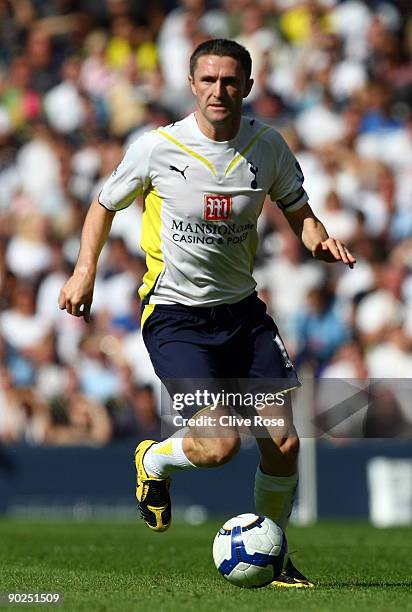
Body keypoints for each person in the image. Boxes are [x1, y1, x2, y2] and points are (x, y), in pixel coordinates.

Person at [59, 39, 356, 588]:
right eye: (209, 80)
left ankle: (274, 552)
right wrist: (84, 271)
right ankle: (154, 460)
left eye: (230, 81)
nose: (219, 90)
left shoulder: (267, 145)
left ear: (247, 85)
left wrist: (318, 239)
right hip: (177, 316)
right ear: (192, 85)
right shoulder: (157, 147)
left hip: (242, 314)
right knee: (218, 446)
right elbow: (102, 207)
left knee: (284, 442)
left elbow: (300, 212)